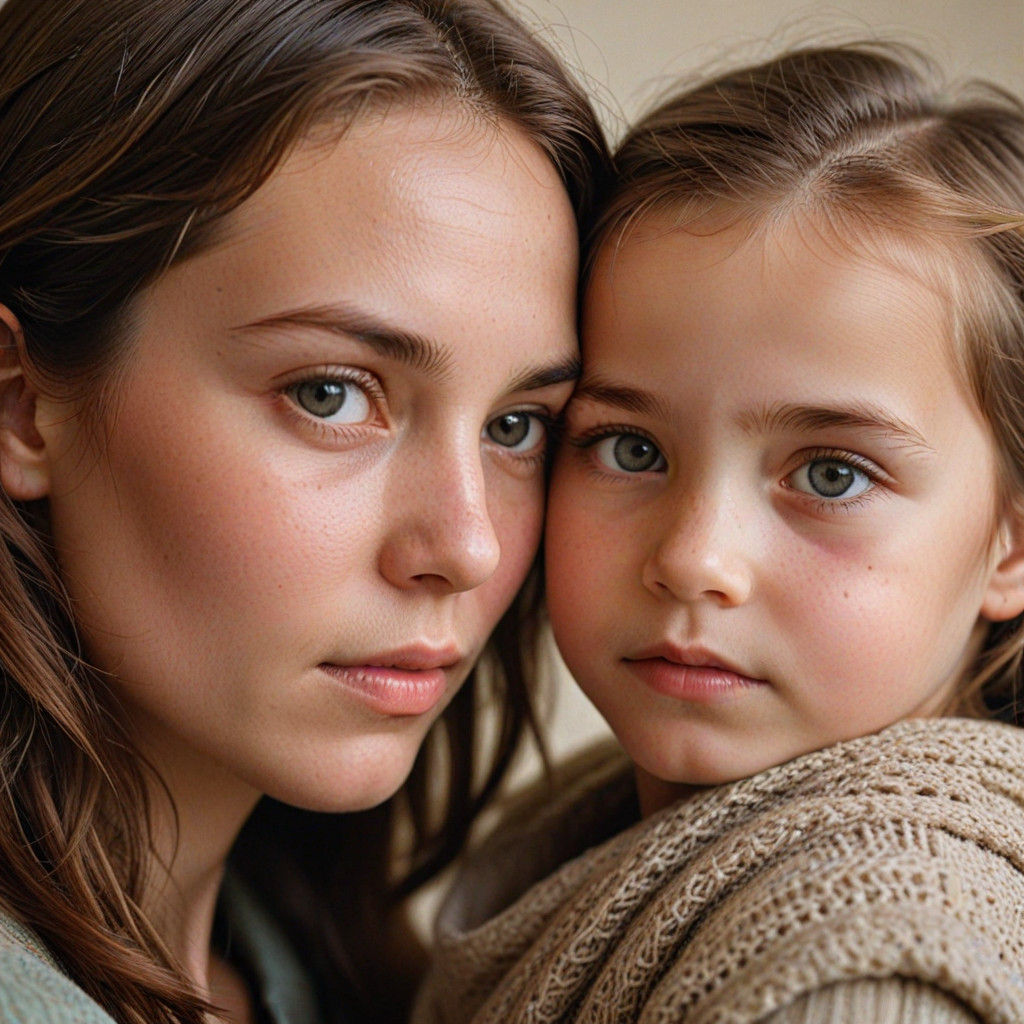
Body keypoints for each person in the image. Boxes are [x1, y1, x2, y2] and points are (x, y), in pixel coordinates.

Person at [0, 2, 609, 1022]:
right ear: (20, 405)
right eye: (330, 393)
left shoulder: (343, 976)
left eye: (517, 425)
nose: (467, 544)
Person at [417, 44, 1024, 1023]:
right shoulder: (592, 837)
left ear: (1010, 547)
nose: (693, 557)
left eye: (831, 474)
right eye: (627, 448)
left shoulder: (870, 975)